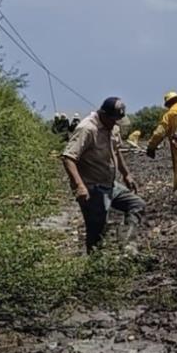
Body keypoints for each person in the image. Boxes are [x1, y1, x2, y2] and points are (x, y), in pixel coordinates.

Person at [61, 97, 146, 252]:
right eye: (113, 120)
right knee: (97, 230)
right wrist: (80, 186)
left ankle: (127, 247)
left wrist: (126, 174)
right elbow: (68, 158)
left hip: (110, 184)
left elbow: (116, 151)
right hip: (92, 187)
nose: (115, 124)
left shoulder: (113, 128)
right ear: (104, 115)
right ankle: (94, 266)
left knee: (136, 204)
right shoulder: (87, 129)